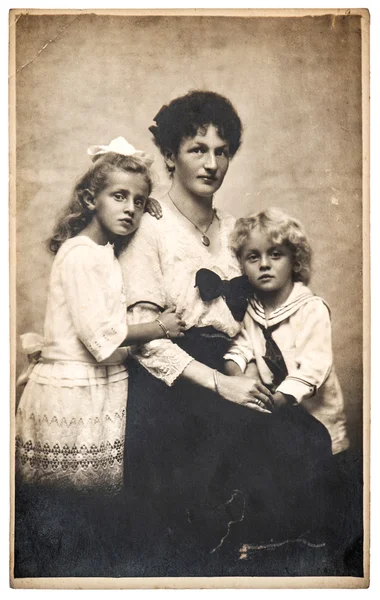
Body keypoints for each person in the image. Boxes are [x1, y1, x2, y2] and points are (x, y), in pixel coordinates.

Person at [119, 91, 286, 570]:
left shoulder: (236, 231)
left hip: (230, 370)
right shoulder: (147, 226)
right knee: (210, 468)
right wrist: (220, 384)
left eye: (222, 150)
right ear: (170, 156)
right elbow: (144, 339)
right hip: (171, 385)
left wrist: (247, 369)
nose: (212, 163)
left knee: (303, 439)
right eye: (197, 149)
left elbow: (248, 319)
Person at [15, 136, 185, 576]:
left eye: (140, 200)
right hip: (72, 394)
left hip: (100, 392)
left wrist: (148, 213)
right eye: (119, 196)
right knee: (62, 513)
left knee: (92, 513)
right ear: (91, 198)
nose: (130, 208)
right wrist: (162, 326)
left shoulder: (104, 253)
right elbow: (103, 340)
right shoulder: (81, 256)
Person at [224, 208, 350, 546]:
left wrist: (279, 398)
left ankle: (321, 534)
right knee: (281, 470)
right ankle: (281, 528)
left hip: (312, 412)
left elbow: (313, 368)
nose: (264, 264)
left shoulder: (311, 309)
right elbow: (241, 347)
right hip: (277, 415)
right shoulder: (252, 309)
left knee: (321, 478)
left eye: (275, 254)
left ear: (295, 261)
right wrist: (236, 376)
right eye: (253, 257)